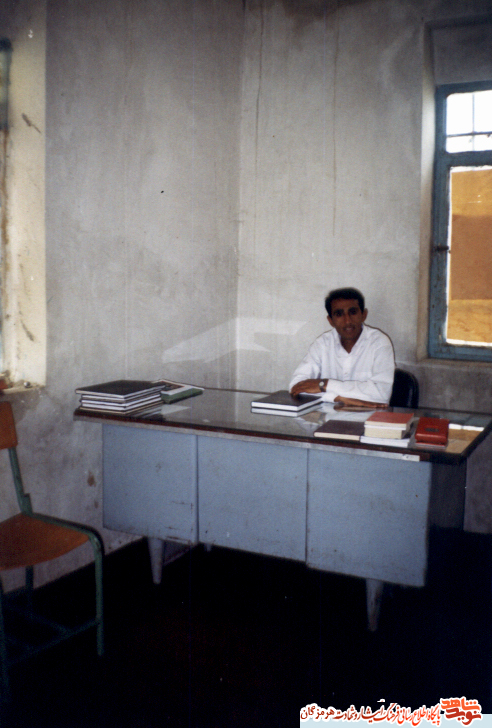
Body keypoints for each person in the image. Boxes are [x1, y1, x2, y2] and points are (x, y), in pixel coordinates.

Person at [289, 287, 395, 407]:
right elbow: (296, 387)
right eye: (339, 314)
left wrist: (325, 385)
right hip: (327, 417)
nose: (347, 321)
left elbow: (381, 394)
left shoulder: (379, 343)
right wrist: (336, 398)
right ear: (330, 320)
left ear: (363, 315)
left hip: (369, 417)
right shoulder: (322, 344)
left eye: (353, 312)